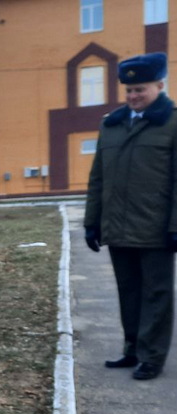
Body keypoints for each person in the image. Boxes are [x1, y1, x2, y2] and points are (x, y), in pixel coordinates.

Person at [84, 52, 177, 381]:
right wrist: (91, 222)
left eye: (141, 89)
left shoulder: (172, 122)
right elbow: (98, 178)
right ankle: (133, 349)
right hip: (118, 228)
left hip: (156, 229)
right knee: (129, 291)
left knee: (157, 294)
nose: (134, 96)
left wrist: (175, 227)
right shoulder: (111, 125)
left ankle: (153, 358)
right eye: (129, 91)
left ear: (160, 86)